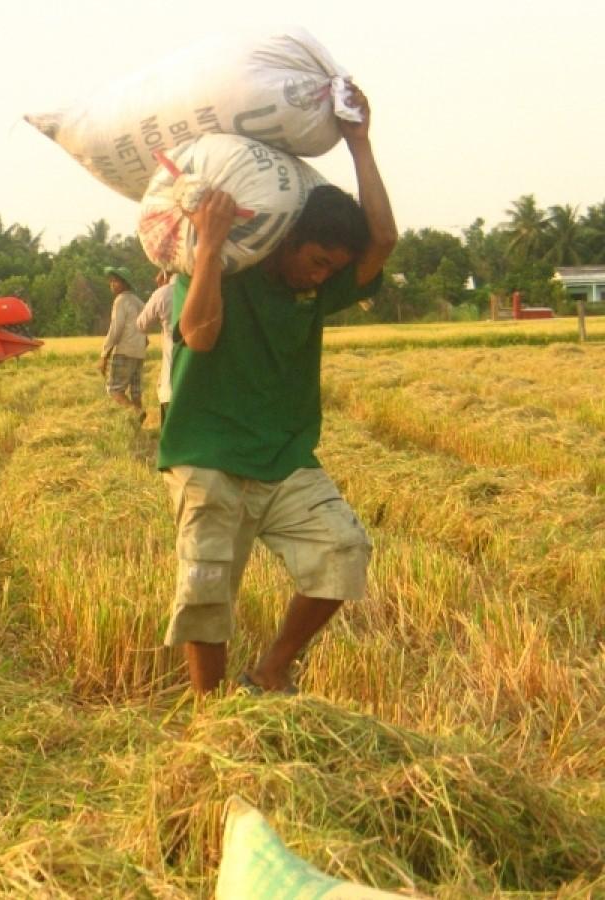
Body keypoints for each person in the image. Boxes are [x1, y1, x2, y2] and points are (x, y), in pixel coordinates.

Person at [158, 80, 397, 696]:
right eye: (317, 260)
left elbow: (384, 242)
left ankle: (270, 671)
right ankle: (211, 717)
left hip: (285, 458)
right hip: (207, 455)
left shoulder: (317, 286)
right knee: (207, 590)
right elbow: (199, 336)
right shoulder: (219, 268)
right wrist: (209, 242)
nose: (324, 277)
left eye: (333, 270)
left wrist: (360, 145)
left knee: (345, 551)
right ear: (284, 239)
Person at [97, 266, 147, 421]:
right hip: (139, 352)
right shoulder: (139, 302)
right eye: (111, 281)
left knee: (114, 390)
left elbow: (116, 329)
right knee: (135, 392)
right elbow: (145, 330)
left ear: (125, 283)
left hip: (124, 351)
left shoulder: (121, 301)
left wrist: (104, 355)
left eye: (115, 281)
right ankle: (137, 429)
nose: (111, 284)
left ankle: (136, 413)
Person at [136, 269, 173, 425]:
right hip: (206, 389)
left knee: (173, 442)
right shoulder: (206, 291)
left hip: (171, 385)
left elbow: (141, 324)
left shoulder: (163, 293)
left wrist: (161, 288)